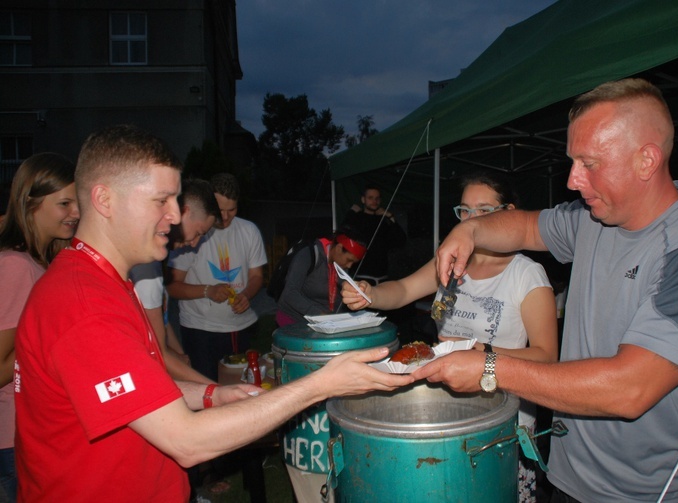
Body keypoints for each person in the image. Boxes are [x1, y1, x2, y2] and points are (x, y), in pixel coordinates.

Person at [13, 124, 413, 502]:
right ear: (104, 200)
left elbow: (138, 395)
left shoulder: (102, 282)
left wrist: (212, 395)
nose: (174, 214)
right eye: (161, 200)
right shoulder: (84, 305)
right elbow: (186, 441)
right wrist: (321, 384)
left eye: (176, 199)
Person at [414, 78, 678, 502]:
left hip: (647, 494)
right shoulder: (593, 220)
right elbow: (523, 226)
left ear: (646, 160)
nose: (573, 180)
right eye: (572, 161)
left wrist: (489, 367)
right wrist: (470, 228)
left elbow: (630, 389)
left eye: (589, 163)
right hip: (568, 479)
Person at [342, 172, 558, 502]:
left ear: (509, 213)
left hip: (499, 417)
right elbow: (401, 290)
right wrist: (369, 293)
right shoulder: (452, 260)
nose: (471, 221)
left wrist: (478, 351)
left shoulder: (526, 274)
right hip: (446, 409)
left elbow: (547, 358)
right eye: (465, 211)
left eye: (483, 210)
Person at [0, 153, 79, 503]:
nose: (75, 213)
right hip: (12, 436)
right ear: (30, 203)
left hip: (34, 430)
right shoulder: (16, 266)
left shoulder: (40, 262)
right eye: (65, 203)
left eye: (77, 203)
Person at [167, 173, 266, 382]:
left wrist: (246, 295)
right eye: (220, 210)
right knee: (207, 389)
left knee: (241, 388)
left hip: (239, 327)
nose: (226, 216)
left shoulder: (249, 231)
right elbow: (171, 286)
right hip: (200, 329)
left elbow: (257, 276)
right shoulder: (194, 231)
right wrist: (207, 290)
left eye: (232, 210)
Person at [130, 178, 221, 384]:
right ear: (184, 212)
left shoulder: (156, 261)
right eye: (198, 233)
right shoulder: (146, 264)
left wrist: (179, 353)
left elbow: (159, 317)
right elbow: (157, 350)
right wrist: (214, 390)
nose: (194, 243)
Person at [276, 230, 367, 326]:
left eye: (353, 263)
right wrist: (320, 315)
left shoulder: (342, 266)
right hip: (293, 320)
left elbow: (339, 299)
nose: (349, 266)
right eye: (349, 260)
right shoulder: (308, 254)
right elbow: (289, 293)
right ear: (339, 248)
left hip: (324, 323)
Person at [341, 185, 406, 284]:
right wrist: (351, 213)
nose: (374, 201)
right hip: (361, 276)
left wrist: (390, 216)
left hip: (382, 276)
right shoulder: (356, 219)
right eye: (370, 198)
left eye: (377, 198)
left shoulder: (383, 221)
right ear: (363, 199)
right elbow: (343, 232)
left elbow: (401, 240)